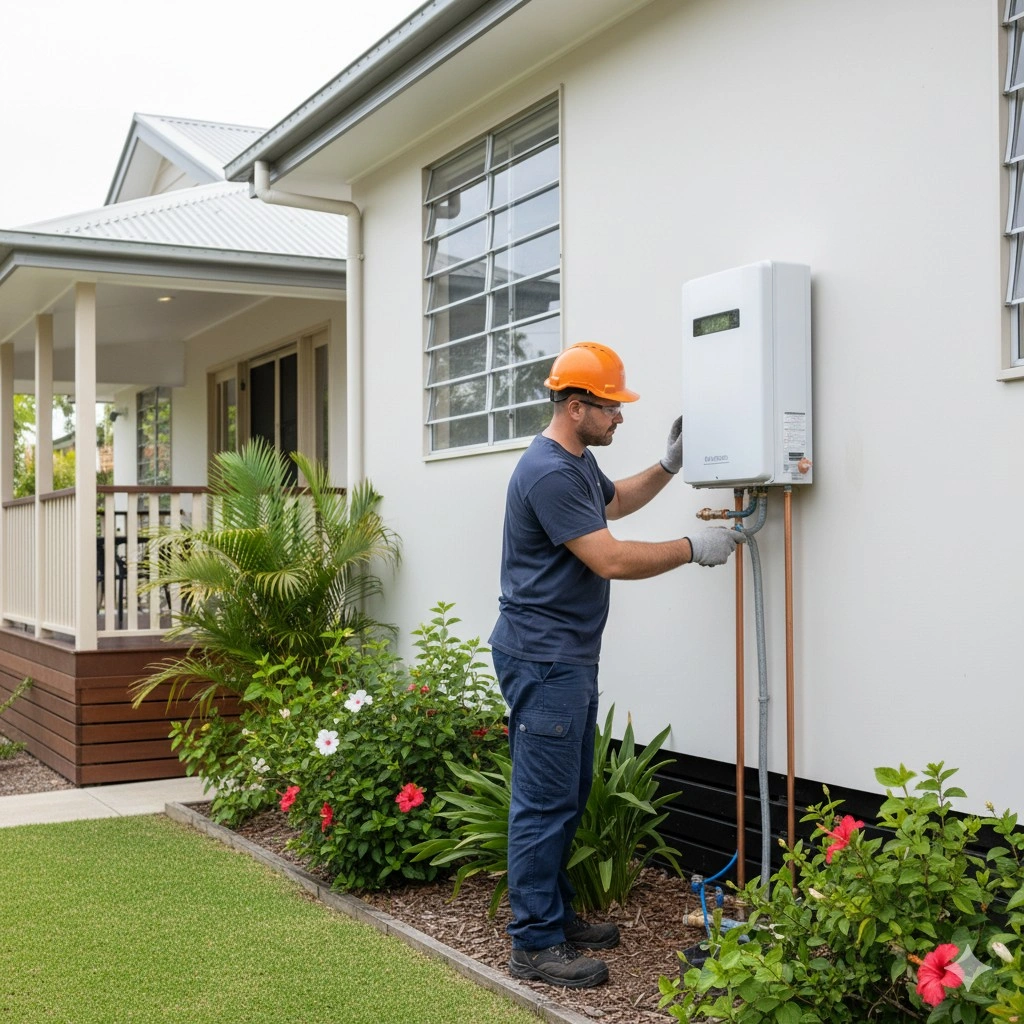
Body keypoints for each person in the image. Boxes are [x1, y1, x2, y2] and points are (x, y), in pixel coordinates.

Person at [489, 341, 744, 989]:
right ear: (576, 407)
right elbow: (611, 558)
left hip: (562, 657)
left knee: (566, 798)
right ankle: (534, 944)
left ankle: (554, 916)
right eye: (611, 409)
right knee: (543, 807)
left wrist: (667, 465)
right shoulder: (548, 472)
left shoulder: (573, 464)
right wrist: (693, 547)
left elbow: (615, 504)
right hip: (544, 659)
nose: (620, 418)